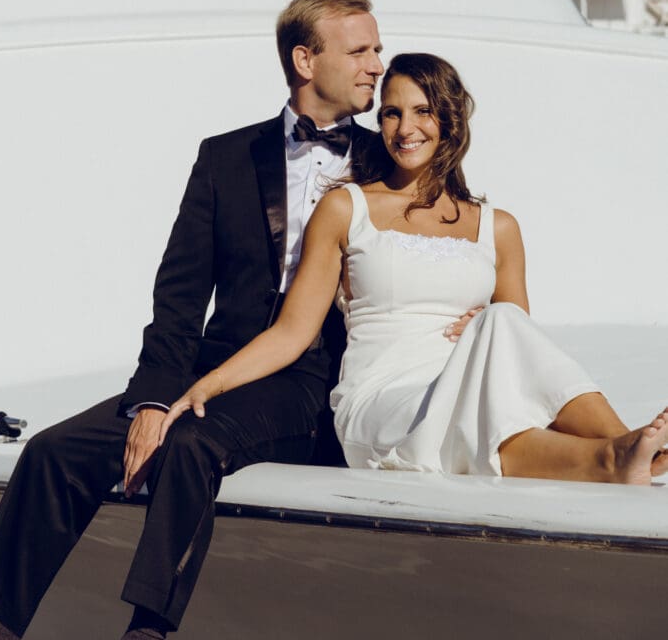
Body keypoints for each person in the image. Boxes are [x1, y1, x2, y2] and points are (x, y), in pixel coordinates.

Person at [0, 0, 384, 640]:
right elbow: (178, 296)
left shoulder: (388, 161)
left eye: (377, 49)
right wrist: (149, 401)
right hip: (210, 367)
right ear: (304, 59)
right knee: (53, 451)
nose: (377, 64)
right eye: (361, 50)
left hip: (309, 382)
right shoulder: (224, 157)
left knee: (193, 442)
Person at [158, 52, 668, 488]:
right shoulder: (346, 208)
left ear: (449, 120)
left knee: (504, 325)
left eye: (423, 112)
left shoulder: (499, 227)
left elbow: (521, 356)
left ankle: (623, 449)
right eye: (391, 114)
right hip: (383, 399)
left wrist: (486, 328)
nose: (405, 129)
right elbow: (292, 332)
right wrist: (209, 384)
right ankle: (621, 451)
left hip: (464, 386)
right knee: (485, 378)